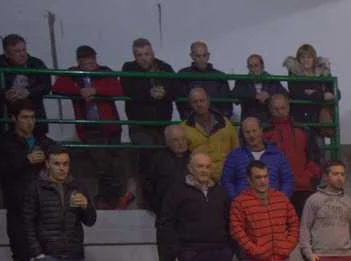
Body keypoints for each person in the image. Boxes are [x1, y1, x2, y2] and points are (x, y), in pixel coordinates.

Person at [52, 45, 131, 210]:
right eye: (86, 61)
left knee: (115, 162)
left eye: (92, 60)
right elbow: (57, 86)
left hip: (111, 126)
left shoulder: (104, 71)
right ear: (79, 61)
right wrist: (79, 91)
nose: (91, 63)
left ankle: (108, 199)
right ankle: (113, 198)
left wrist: (96, 90)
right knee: (102, 164)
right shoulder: (73, 73)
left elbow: (117, 88)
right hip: (90, 127)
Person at [0, 102, 56, 261]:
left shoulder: (44, 141)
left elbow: (61, 159)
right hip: (17, 208)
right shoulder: (3, 142)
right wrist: (25, 160)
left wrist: (48, 160)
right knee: (20, 256)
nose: (30, 122)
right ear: (14, 118)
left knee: (48, 257)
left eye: (32, 118)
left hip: (44, 208)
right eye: (25, 117)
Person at [25, 147, 97, 261]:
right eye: (57, 164)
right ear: (47, 164)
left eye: (65, 163)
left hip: (74, 256)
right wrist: (37, 253)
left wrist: (86, 206)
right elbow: (27, 223)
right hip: (47, 256)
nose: (62, 168)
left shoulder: (78, 186)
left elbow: (90, 221)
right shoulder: (35, 188)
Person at [159, 151, 233, 261]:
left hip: (220, 253)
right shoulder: (177, 191)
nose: (204, 170)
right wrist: (178, 251)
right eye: (200, 166)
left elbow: (229, 222)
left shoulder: (220, 192)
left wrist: (229, 250)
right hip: (191, 253)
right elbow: (167, 223)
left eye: (207, 166)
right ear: (190, 168)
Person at [230, 161, 300, 261]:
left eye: (265, 176)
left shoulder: (281, 198)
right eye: (258, 177)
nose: (263, 181)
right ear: (249, 179)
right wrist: (255, 250)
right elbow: (237, 230)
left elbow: (294, 223)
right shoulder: (240, 202)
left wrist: (287, 246)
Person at [122, 38, 176, 206]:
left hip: (162, 125)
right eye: (139, 55)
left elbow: (176, 89)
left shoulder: (165, 68)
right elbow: (127, 89)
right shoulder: (128, 68)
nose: (144, 58)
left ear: (153, 53)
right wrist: (149, 93)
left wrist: (165, 93)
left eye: (147, 54)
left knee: (165, 161)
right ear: (134, 56)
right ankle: (146, 200)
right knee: (147, 158)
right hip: (140, 125)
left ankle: (164, 199)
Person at [300, 160, 351, 261]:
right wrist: (309, 254)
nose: (339, 178)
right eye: (335, 174)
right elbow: (304, 228)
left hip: (346, 256)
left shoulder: (350, 201)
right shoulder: (313, 200)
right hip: (322, 256)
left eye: (342, 174)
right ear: (326, 176)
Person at [264, 93, 323, 216]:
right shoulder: (264, 133)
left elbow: (315, 158)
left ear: (289, 107)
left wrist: (306, 179)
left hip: (302, 189)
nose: (280, 112)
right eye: (276, 109)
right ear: (270, 109)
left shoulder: (304, 131)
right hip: (274, 189)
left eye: (283, 108)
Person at [0, 34, 50, 139]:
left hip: (33, 118)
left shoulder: (36, 64)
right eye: (17, 51)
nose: (22, 54)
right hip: (4, 117)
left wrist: (29, 92)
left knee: (35, 146)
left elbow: (46, 86)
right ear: (6, 53)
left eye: (24, 50)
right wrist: (5, 93)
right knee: (6, 145)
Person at [150, 125, 192, 261]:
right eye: (175, 140)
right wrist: (161, 211)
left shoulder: (194, 159)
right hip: (166, 222)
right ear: (167, 142)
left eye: (183, 139)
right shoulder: (157, 160)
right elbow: (149, 188)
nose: (180, 143)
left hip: (190, 223)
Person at [221, 117, 295, 201]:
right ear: (242, 134)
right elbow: (226, 181)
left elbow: (288, 180)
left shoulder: (277, 154)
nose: (251, 135)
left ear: (261, 130)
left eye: (254, 131)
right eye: (247, 132)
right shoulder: (235, 155)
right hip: (244, 204)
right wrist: (236, 201)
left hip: (273, 204)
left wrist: (280, 201)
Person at [182, 87, 239, 182]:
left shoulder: (225, 123)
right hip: (199, 178)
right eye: (195, 102)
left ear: (208, 101)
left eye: (202, 100)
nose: (199, 104)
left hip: (226, 175)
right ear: (190, 104)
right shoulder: (184, 128)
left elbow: (236, 149)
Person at [175, 41, 232, 119]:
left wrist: (222, 121)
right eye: (198, 56)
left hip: (216, 121)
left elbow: (226, 104)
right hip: (193, 121)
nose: (202, 59)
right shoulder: (183, 75)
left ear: (208, 56)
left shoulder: (220, 76)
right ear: (192, 56)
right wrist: (189, 121)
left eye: (204, 55)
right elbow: (181, 104)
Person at [283, 44, 335, 128]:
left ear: (314, 59)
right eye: (302, 57)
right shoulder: (294, 73)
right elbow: (295, 93)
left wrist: (312, 93)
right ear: (298, 59)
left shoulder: (323, 73)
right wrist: (321, 95)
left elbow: (335, 92)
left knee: (320, 138)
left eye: (309, 57)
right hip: (299, 115)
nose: (306, 60)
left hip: (318, 116)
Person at [231, 54, 286, 124]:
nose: (253, 69)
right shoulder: (242, 81)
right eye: (250, 66)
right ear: (248, 68)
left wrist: (270, 96)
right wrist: (254, 95)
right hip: (249, 123)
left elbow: (285, 95)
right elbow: (234, 95)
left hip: (269, 122)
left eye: (256, 65)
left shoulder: (272, 80)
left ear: (262, 66)